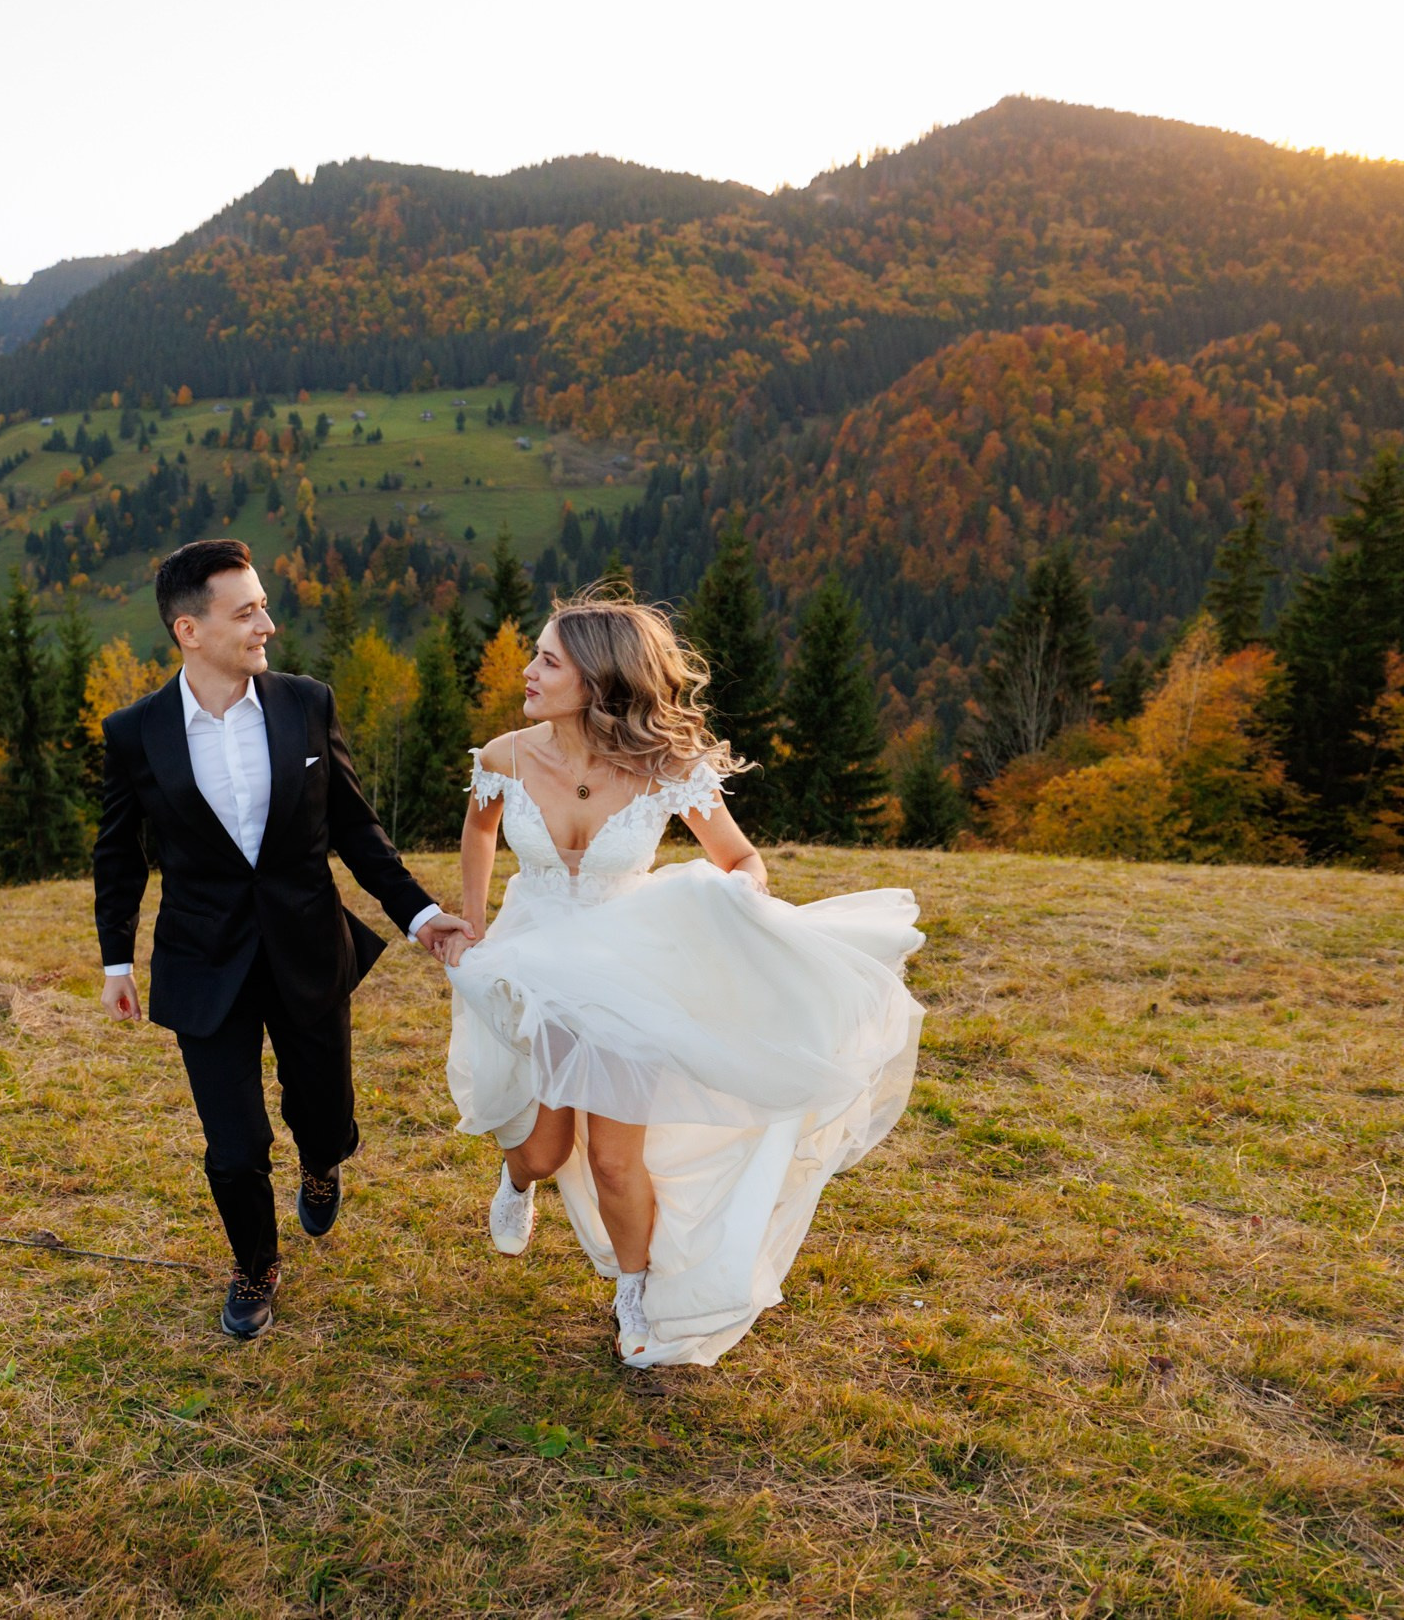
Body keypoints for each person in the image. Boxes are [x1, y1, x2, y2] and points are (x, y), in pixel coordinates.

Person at [438, 587, 924, 1366]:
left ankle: (639, 1294)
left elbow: (742, 860)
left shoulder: (667, 770)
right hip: (537, 967)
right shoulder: (505, 756)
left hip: (629, 970)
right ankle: (518, 1181)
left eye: (546, 659)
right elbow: (479, 826)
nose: (527, 670)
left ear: (596, 681)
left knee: (612, 1158)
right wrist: (473, 919)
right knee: (544, 1148)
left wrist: (739, 909)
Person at [94, 539, 471, 1339]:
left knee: (325, 1113)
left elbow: (357, 830)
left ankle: (324, 1161)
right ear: (189, 630)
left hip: (306, 944)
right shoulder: (135, 733)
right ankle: (255, 1265)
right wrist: (117, 959)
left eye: (263, 604)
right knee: (232, 1144)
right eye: (247, 610)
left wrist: (419, 913)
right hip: (204, 961)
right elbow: (118, 852)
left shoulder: (307, 702)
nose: (267, 622)